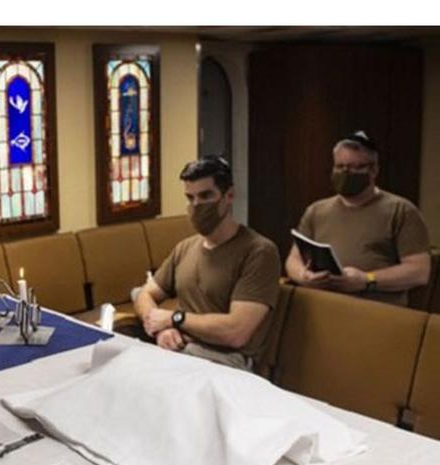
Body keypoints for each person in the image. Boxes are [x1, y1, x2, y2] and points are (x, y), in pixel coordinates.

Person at [133, 156, 281, 370]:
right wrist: (161, 329)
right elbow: (145, 295)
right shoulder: (185, 248)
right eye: (190, 198)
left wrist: (175, 319)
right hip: (180, 349)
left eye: (205, 196)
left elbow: (236, 332)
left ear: (228, 196)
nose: (197, 205)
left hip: (227, 360)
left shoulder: (258, 252)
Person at [285, 131, 431, 306]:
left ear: (374, 170)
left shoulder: (401, 210)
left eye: (355, 167)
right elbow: (293, 260)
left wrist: (367, 280)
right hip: (323, 308)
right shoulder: (317, 211)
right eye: (340, 167)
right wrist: (304, 276)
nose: (346, 173)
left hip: (378, 313)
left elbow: (419, 271)